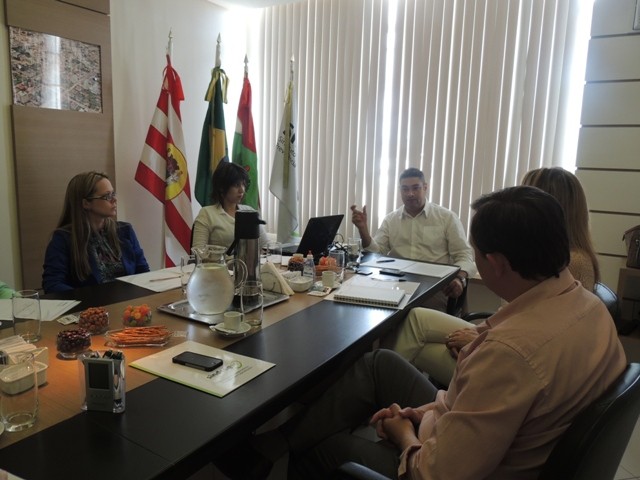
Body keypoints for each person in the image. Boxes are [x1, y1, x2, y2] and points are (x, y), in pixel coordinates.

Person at [226, 186, 625, 480]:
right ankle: (273, 445)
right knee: (379, 364)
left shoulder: (511, 355)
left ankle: (283, 455)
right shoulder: (587, 304)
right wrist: (423, 413)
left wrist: (405, 434)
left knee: (330, 450)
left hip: (456, 465)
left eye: (477, 253)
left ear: (497, 263)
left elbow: (435, 474)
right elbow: (472, 404)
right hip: (478, 432)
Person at [394, 167, 601, 385]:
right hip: (501, 332)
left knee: (416, 346)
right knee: (415, 320)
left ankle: (390, 391)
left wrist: (482, 340)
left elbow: (540, 339)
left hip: (508, 356)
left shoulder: (569, 264)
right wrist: (483, 333)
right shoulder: (555, 259)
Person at [351, 167, 475, 311]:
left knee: (420, 318)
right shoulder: (391, 219)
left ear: (425, 187)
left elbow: (464, 255)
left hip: (434, 290)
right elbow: (377, 253)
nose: (410, 194)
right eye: (405, 189)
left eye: (416, 188)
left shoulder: (446, 218)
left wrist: (459, 278)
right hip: (396, 286)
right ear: (400, 191)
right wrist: (363, 229)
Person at [42, 171, 149, 293]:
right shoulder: (63, 239)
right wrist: (89, 302)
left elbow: (143, 272)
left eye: (113, 194)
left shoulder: (125, 230)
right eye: (107, 196)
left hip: (130, 302)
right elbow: (53, 284)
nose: (114, 200)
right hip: (89, 304)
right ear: (86, 203)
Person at [192, 161, 269, 249]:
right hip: (218, 258)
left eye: (243, 184)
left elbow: (266, 245)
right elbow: (198, 251)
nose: (242, 190)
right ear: (222, 187)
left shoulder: (249, 211)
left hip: (249, 258)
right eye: (236, 185)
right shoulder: (207, 213)